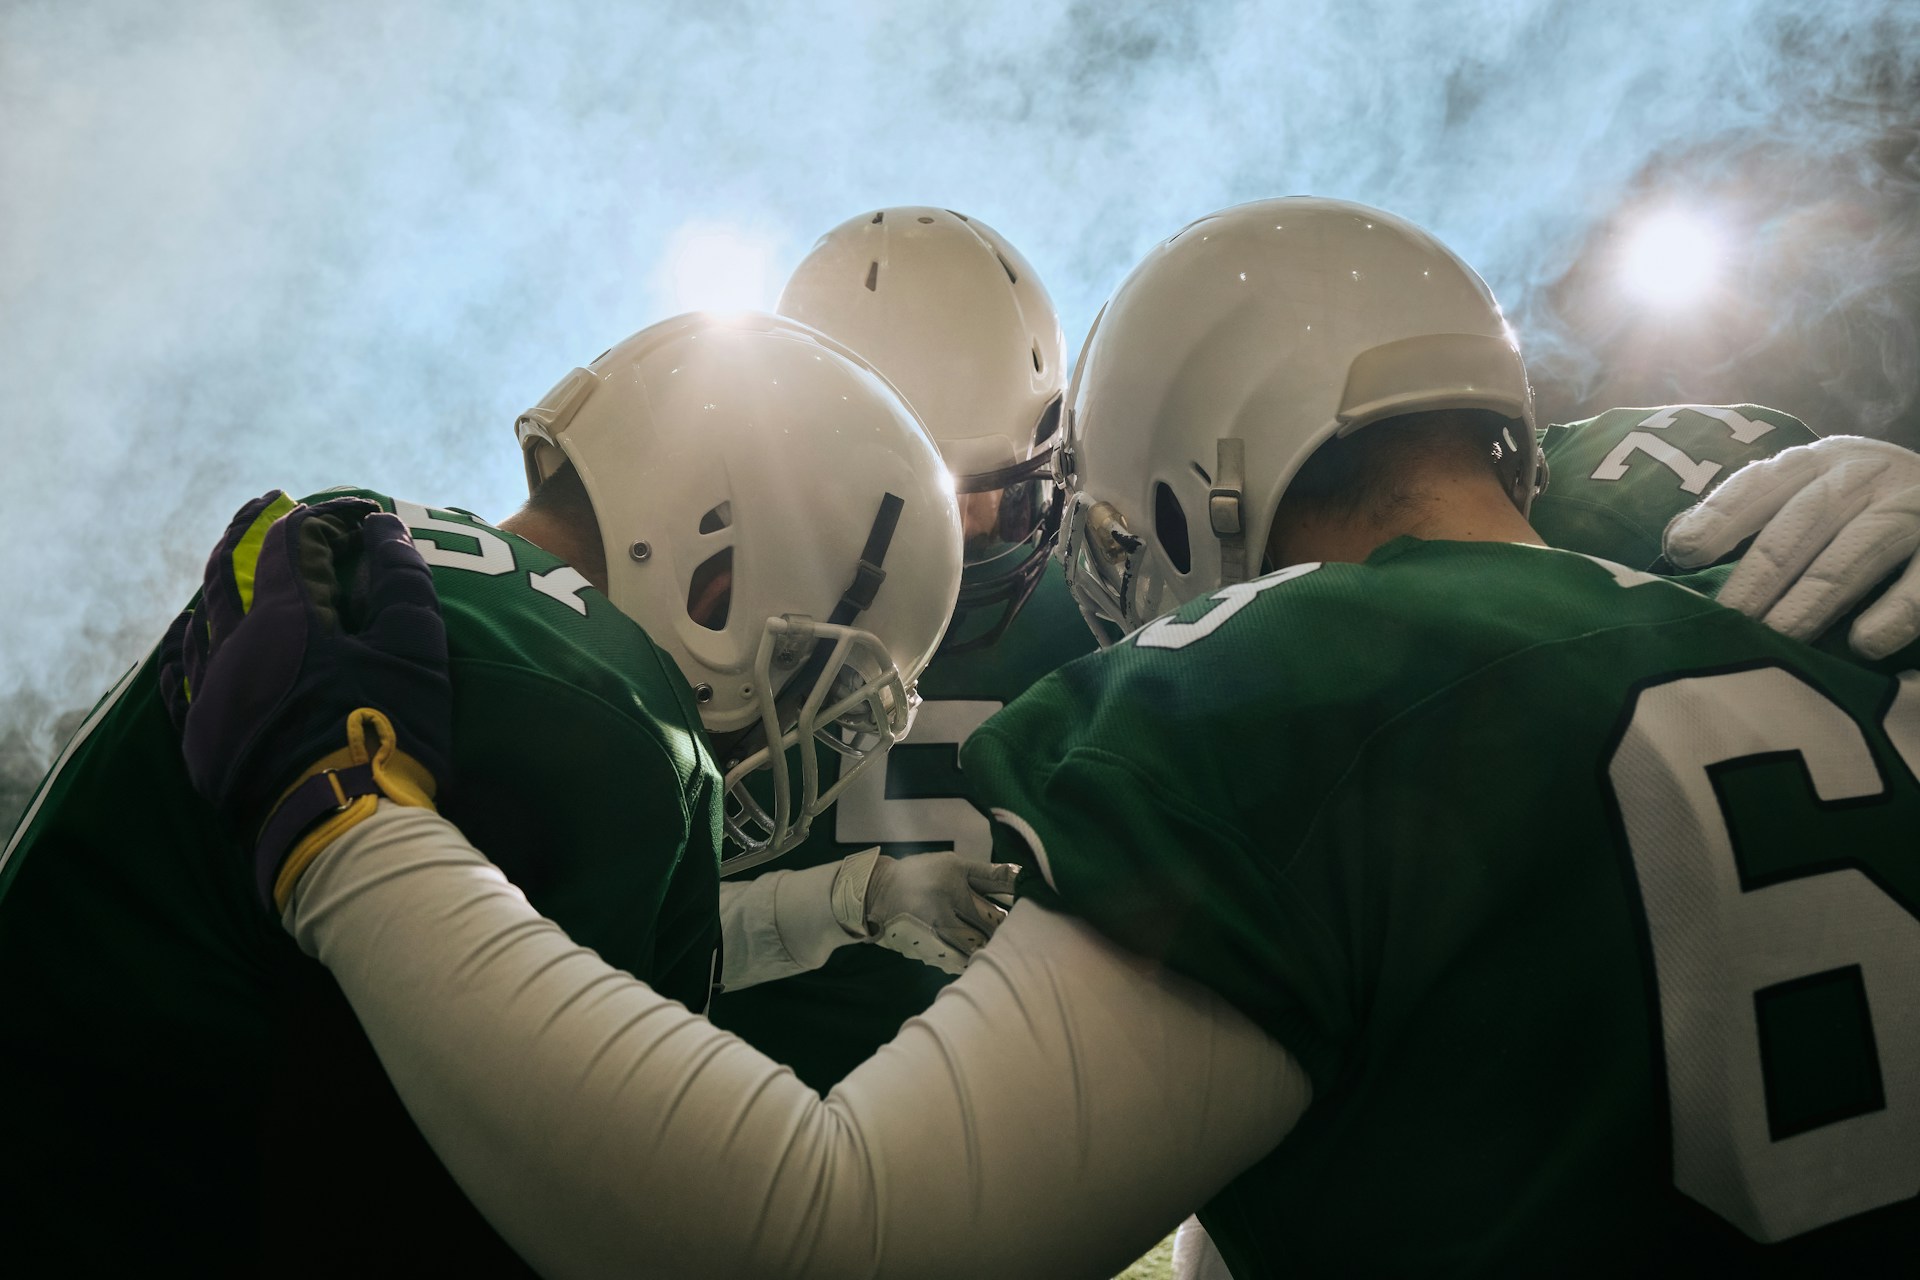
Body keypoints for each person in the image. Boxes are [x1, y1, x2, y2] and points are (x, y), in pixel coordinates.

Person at [176, 201, 1920, 1277]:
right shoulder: (1738, 558)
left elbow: (823, 1237)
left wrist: (357, 830)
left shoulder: (1271, 677)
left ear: (1174, 466)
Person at [0, 310, 972, 1272]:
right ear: (716, 588)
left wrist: (849, 898)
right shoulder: (612, 722)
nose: (808, 732)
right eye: (822, 686)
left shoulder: (381, 537)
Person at [711, 206, 1104, 1085]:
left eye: (1003, 492)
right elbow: (616, 933)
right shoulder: (704, 592)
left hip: (1010, 1123)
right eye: (925, 490)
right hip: (724, 1106)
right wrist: (848, 900)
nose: (969, 529)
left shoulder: (1096, 601)